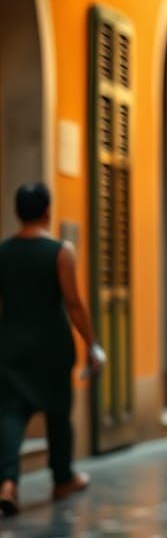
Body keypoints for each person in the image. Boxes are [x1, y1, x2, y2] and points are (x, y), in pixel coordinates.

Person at [0, 183, 106, 517]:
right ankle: (63, 478)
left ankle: (7, 482)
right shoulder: (62, 252)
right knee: (59, 413)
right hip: (52, 346)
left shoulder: (3, 252)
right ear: (47, 210)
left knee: (9, 415)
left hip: (11, 345)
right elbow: (73, 303)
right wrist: (92, 343)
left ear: (17, 212)